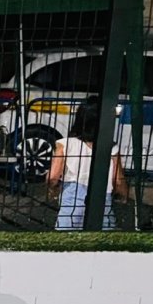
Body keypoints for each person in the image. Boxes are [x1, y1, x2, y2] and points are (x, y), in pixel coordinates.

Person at [46, 96, 129, 230]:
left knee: (66, 236)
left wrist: (52, 189)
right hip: (102, 196)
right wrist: (123, 195)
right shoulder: (111, 147)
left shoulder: (65, 144)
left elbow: (53, 176)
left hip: (72, 195)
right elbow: (118, 180)